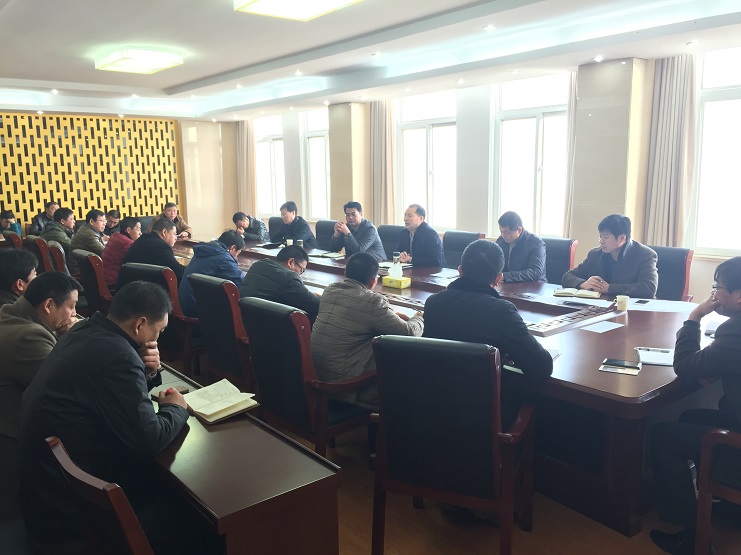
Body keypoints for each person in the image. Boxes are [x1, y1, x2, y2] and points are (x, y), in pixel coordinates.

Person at [18, 281, 193, 553]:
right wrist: (176, 408)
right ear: (140, 324)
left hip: (45, 500)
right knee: (188, 510)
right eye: (158, 331)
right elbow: (149, 440)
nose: (156, 339)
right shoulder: (118, 356)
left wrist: (146, 371)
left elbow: (107, 394)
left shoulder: (85, 331)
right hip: (74, 520)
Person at [649, 257, 741, 555]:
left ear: (738, 297)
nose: (713, 294)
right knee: (690, 416)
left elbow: (685, 366)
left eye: (717, 287)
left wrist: (695, 316)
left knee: (663, 435)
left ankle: (691, 534)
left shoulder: (735, 331)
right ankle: (727, 503)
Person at [423, 239, 553, 428]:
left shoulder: (434, 303)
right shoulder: (502, 311)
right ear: (498, 278)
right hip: (485, 419)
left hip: (434, 410)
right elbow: (541, 368)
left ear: (460, 271)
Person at [0, 272, 81, 521]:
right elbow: (69, 387)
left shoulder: (9, 313)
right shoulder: (30, 337)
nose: (74, 314)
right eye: (71, 307)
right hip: (12, 438)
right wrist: (74, 337)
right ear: (48, 305)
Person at [312, 252, 424, 409]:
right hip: (345, 389)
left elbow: (359, 312)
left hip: (318, 378)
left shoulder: (330, 291)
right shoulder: (372, 302)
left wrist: (389, 315)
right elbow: (409, 333)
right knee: (406, 362)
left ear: (345, 274)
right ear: (373, 281)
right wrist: (419, 317)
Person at [562, 214, 658, 298]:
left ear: (622, 238)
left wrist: (609, 288)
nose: (601, 241)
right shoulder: (595, 254)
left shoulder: (645, 255)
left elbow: (649, 288)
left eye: (606, 237)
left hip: (631, 309)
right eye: (600, 236)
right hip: (598, 307)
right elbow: (568, 276)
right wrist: (583, 284)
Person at [239, 244, 320, 322]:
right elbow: (316, 306)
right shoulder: (289, 278)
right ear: (290, 262)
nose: (300, 274)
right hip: (267, 326)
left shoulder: (258, 265)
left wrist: (308, 294)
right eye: (301, 269)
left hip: (243, 321)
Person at [178, 230, 245, 318]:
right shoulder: (223, 258)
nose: (236, 257)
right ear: (233, 247)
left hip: (184, 304)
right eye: (237, 254)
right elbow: (241, 283)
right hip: (195, 310)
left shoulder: (205, 250)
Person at [119, 217, 185, 288]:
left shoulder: (142, 239)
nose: (176, 238)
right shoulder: (160, 246)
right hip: (143, 291)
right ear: (164, 232)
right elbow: (180, 272)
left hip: (128, 289)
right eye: (174, 234)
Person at [495, 211, 546, 283]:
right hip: (507, 284)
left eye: (507, 233)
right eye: (501, 232)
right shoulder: (501, 241)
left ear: (519, 230)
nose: (504, 236)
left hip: (533, 286)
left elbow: (535, 273)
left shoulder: (536, 243)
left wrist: (505, 276)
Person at [101, 216, 142, 285]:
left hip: (105, 277)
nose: (140, 233)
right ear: (128, 230)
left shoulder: (115, 236)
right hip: (114, 282)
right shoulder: (128, 243)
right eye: (139, 229)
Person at [67, 209, 107, 274]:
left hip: (83, 267)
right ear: (91, 221)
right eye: (102, 221)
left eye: (105, 221)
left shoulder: (85, 228)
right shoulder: (89, 234)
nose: (104, 224)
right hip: (81, 271)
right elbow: (105, 253)